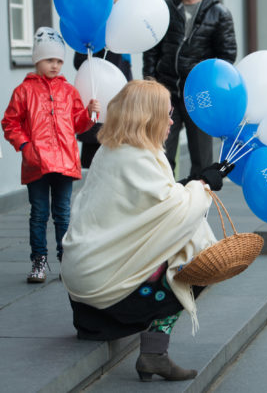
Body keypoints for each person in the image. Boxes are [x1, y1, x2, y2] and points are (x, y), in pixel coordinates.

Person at [61, 79, 233, 382]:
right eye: (165, 114)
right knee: (198, 261)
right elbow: (178, 214)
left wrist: (194, 183)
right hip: (103, 286)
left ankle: (94, 325)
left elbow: (148, 205)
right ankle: (155, 354)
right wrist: (204, 185)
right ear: (147, 118)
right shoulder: (139, 156)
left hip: (81, 282)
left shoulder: (111, 150)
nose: (171, 121)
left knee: (177, 239)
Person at [1, 27, 100, 283]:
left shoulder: (68, 91)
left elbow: (77, 124)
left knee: (63, 212)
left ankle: (65, 259)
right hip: (36, 163)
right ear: (37, 60)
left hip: (65, 161)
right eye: (49, 60)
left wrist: (89, 115)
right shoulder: (23, 91)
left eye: (59, 60)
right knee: (39, 213)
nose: (55, 65)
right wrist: (26, 147)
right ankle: (39, 260)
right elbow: (10, 123)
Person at [143, 0, 237, 177]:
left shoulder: (219, 13)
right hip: (166, 94)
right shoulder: (165, 9)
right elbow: (151, 49)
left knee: (202, 162)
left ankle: (199, 205)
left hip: (200, 96)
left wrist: (210, 87)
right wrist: (151, 83)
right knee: (160, 156)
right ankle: (165, 204)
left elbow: (226, 58)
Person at [73, 0, 133, 168]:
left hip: (119, 99)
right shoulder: (95, 22)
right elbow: (79, 60)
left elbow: (125, 67)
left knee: (118, 159)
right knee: (94, 160)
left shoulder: (124, 25)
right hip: (98, 97)